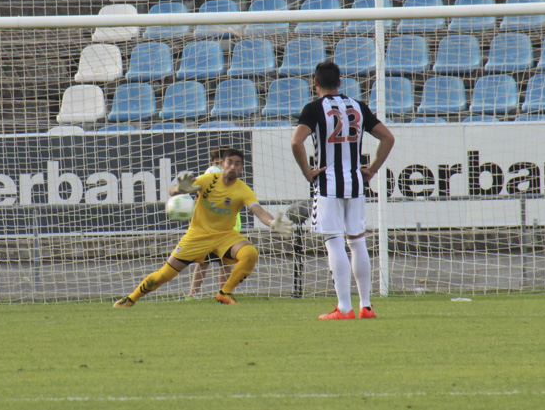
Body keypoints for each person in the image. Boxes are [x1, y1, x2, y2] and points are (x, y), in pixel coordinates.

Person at [114, 148, 294, 307]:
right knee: (165, 275)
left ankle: (224, 294)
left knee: (250, 254)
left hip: (225, 236)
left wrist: (271, 223)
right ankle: (131, 299)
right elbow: (172, 192)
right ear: (222, 164)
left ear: (241, 169)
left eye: (237, 164)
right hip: (197, 235)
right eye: (229, 162)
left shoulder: (244, 190)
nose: (232, 167)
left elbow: (258, 211)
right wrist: (179, 189)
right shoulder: (208, 180)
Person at [291, 61, 395, 320]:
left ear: (314, 83)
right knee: (357, 241)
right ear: (340, 83)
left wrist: (307, 171)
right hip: (356, 182)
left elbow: (296, 142)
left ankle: (344, 308)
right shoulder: (358, 107)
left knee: (334, 242)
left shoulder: (314, 108)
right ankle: (366, 306)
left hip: (328, 184)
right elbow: (388, 137)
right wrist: (371, 169)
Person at [187, 148, 237, 298]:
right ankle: (192, 295)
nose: (216, 166)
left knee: (225, 262)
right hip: (208, 228)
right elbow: (199, 197)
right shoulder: (209, 178)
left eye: (219, 163)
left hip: (227, 227)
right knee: (203, 262)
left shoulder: (231, 182)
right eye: (214, 162)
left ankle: (223, 293)